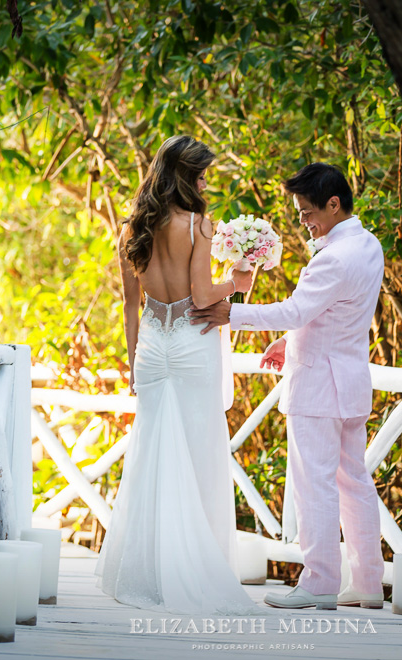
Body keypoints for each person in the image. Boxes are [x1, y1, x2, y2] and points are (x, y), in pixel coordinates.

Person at [190, 163, 386, 610]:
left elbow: (297, 310)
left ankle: (319, 583)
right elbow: (339, 311)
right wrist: (289, 338)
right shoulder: (367, 244)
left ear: (334, 205)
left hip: (319, 385)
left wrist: (231, 314)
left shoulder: (333, 255)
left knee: (314, 483)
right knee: (354, 481)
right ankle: (368, 582)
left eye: (306, 211)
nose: (302, 221)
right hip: (351, 380)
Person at [94, 135, 260, 615]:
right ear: (186, 177)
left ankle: (147, 571)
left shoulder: (130, 230)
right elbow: (204, 296)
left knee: (151, 456)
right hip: (191, 346)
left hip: (151, 349)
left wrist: (132, 361)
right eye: (203, 174)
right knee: (198, 453)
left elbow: (130, 306)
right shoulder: (198, 226)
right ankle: (194, 570)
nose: (207, 182)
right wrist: (239, 281)